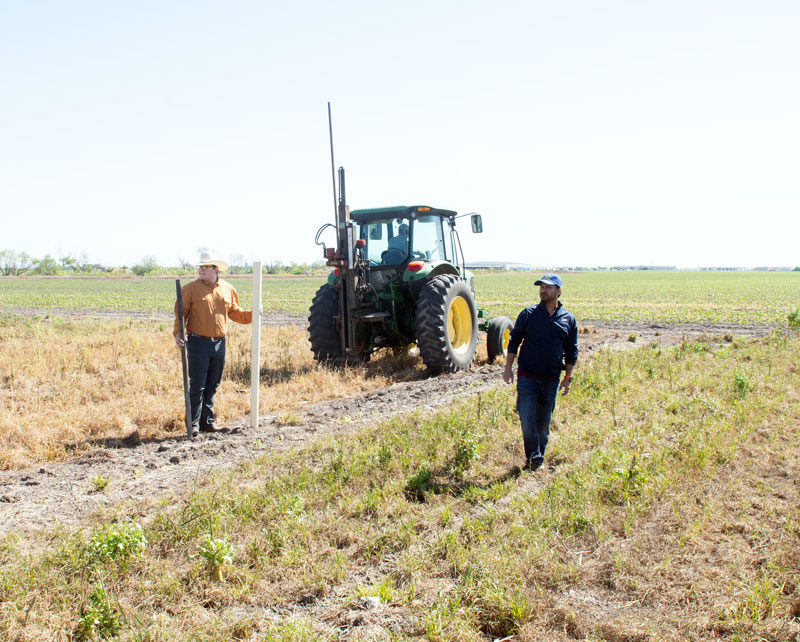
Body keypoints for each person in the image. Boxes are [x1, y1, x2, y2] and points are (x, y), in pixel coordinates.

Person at [502, 273, 578, 471]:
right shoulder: (528, 314)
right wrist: (508, 368)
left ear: (558, 292)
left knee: (543, 425)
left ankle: (538, 456)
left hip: (552, 379)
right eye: (541, 287)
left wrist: (568, 377)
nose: (543, 290)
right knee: (527, 420)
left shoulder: (568, 319)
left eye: (548, 287)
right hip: (527, 376)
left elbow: (572, 350)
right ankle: (534, 459)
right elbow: (514, 341)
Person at [174, 252, 253, 434]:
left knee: (212, 384)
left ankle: (207, 423)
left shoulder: (227, 289)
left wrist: (253, 314)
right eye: (200, 267)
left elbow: (235, 312)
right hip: (197, 342)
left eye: (205, 267)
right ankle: (193, 425)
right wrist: (178, 333)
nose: (201, 270)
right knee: (198, 384)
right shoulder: (190, 289)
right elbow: (181, 314)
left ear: (215, 269)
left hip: (219, 343)